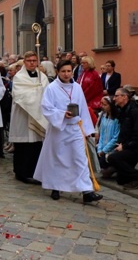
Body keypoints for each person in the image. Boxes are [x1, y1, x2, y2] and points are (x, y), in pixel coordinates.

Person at [33, 60, 103, 203]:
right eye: (63, 71)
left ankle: (86, 190)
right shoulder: (52, 88)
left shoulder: (77, 87)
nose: (66, 74)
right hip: (59, 129)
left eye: (69, 71)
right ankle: (55, 187)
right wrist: (61, 114)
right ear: (58, 72)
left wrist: (88, 130)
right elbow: (46, 108)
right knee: (58, 159)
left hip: (75, 128)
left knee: (80, 159)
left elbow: (83, 107)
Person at [10, 51, 49, 184]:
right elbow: (20, 95)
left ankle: (35, 172)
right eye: (29, 61)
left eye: (34, 60)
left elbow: (47, 93)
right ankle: (21, 172)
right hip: (23, 115)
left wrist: (39, 93)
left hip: (38, 115)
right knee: (23, 146)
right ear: (24, 62)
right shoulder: (19, 78)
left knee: (36, 146)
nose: (32, 63)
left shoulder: (42, 77)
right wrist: (37, 92)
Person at [96, 96, 120, 178]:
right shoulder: (104, 117)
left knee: (105, 162)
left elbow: (115, 137)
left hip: (112, 148)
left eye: (105, 104)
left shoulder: (116, 119)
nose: (102, 106)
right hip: (103, 147)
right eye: (101, 104)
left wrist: (105, 150)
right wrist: (100, 149)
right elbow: (102, 134)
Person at [77, 56, 103, 123]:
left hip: (92, 101)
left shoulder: (94, 74)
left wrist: (82, 97)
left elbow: (93, 90)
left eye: (84, 63)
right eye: (81, 63)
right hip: (83, 99)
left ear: (89, 63)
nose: (82, 64)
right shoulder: (83, 73)